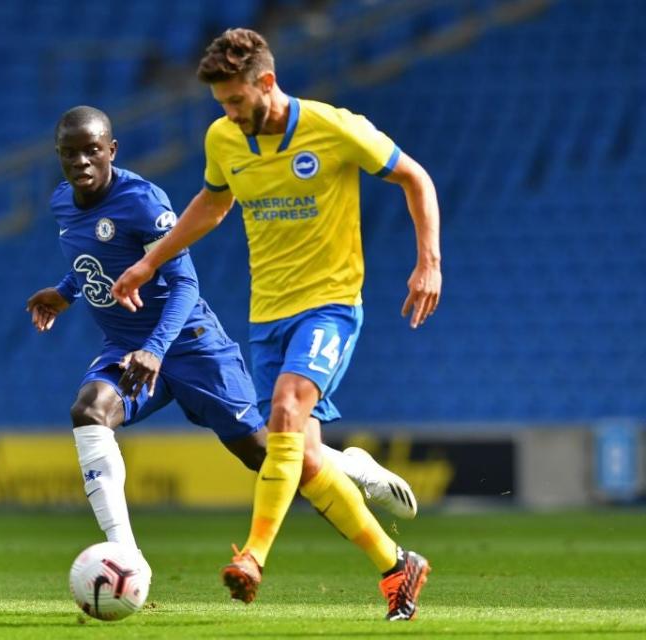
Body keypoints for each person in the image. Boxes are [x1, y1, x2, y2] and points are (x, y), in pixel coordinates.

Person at [111, 29, 441, 621]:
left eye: (236, 101)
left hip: (331, 304)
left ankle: (254, 555)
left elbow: (415, 177)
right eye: (221, 105)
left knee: (288, 408)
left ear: (266, 82)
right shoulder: (224, 138)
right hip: (267, 315)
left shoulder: (333, 127)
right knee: (304, 460)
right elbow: (213, 203)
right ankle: (398, 567)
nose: (229, 115)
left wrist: (428, 263)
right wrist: (148, 261)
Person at [27, 106, 419, 583]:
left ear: (111, 150)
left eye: (92, 151)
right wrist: (65, 292)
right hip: (127, 349)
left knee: (266, 456)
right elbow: (96, 256)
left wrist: (156, 347)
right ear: (59, 156)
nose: (81, 162)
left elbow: (185, 283)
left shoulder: (143, 201)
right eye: (70, 154)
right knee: (89, 411)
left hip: (191, 345)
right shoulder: (62, 202)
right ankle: (125, 554)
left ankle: (348, 466)